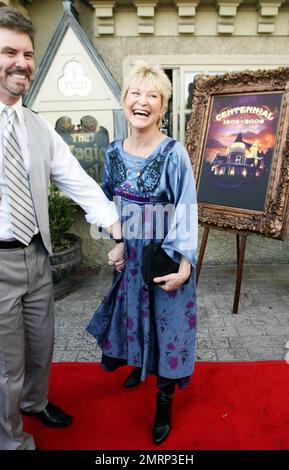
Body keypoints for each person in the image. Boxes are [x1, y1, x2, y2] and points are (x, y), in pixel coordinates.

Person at [0, 7, 124, 450]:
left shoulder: (36, 125)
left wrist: (115, 225)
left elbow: (76, 178)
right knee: (6, 363)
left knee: (41, 344)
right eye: (9, 51)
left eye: (28, 53)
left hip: (37, 253)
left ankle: (34, 403)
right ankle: (11, 440)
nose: (22, 62)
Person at [87, 62, 198, 445]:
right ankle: (137, 365)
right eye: (136, 93)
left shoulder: (174, 153)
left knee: (168, 329)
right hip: (130, 257)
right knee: (134, 318)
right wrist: (115, 240)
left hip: (165, 256)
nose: (143, 101)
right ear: (124, 101)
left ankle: (163, 402)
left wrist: (184, 264)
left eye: (153, 95)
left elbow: (186, 207)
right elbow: (107, 202)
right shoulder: (113, 152)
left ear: (163, 107)